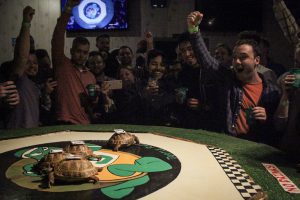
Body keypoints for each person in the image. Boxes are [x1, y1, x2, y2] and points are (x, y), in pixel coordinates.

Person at [186, 11, 280, 142]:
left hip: (254, 147)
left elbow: (279, 128)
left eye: (243, 57)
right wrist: (194, 30)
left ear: (257, 60)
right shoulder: (228, 78)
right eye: (235, 57)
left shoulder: (272, 91)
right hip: (228, 143)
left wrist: (267, 117)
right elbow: (206, 61)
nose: (237, 62)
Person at [52, 0, 97, 124]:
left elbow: (90, 105)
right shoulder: (62, 65)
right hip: (64, 121)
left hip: (85, 123)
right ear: (71, 51)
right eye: (78, 51)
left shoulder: (91, 76)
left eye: (85, 52)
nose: (81, 55)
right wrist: (68, 9)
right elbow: (58, 37)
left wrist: (97, 97)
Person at [175, 32, 223, 131]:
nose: (187, 54)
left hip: (210, 128)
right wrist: (179, 99)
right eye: (183, 51)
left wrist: (202, 106)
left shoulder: (212, 71)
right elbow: (180, 101)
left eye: (190, 49)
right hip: (188, 127)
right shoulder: (182, 73)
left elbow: (221, 103)